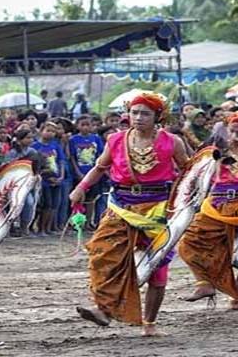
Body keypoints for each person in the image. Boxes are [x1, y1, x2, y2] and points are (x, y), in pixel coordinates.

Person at [70, 92, 188, 336]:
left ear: (158, 116)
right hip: (121, 205)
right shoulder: (115, 140)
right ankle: (104, 309)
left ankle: (150, 323)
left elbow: (188, 171)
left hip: (158, 207)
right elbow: (100, 167)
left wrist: (187, 202)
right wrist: (80, 188)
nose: (138, 117)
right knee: (102, 254)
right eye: (134, 112)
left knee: (157, 266)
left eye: (145, 113)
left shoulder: (172, 141)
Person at [178, 110, 238, 310]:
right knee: (187, 244)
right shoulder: (217, 151)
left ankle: (236, 298)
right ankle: (204, 284)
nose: (236, 134)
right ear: (227, 131)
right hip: (215, 206)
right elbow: (198, 173)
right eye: (232, 130)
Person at [69, 115, 104, 227]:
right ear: (77, 126)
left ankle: (88, 222)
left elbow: (100, 155)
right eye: (82, 125)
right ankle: (77, 222)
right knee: (78, 198)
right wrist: (77, 172)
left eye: (88, 124)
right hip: (79, 173)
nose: (85, 127)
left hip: (93, 173)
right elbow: (73, 157)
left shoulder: (96, 138)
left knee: (91, 200)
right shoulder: (73, 140)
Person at [32, 122, 65, 235]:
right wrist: (42, 175)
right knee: (46, 205)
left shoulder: (56, 145)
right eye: (48, 130)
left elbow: (61, 161)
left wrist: (61, 176)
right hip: (44, 180)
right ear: (41, 131)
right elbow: (34, 165)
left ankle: (48, 228)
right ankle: (41, 228)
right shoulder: (35, 146)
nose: (51, 133)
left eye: (53, 131)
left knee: (55, 205)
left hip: (56, 179)